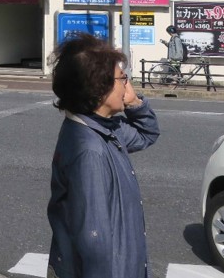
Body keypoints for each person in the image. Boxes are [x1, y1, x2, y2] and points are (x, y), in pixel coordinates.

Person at [47, 34, 160, 278]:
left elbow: (147, 134)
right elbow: (94, 241)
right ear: (99, 86)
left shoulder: (104, 128)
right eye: (122, 79)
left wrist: (135, 104)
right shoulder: (89, 150)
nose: (127, 85)